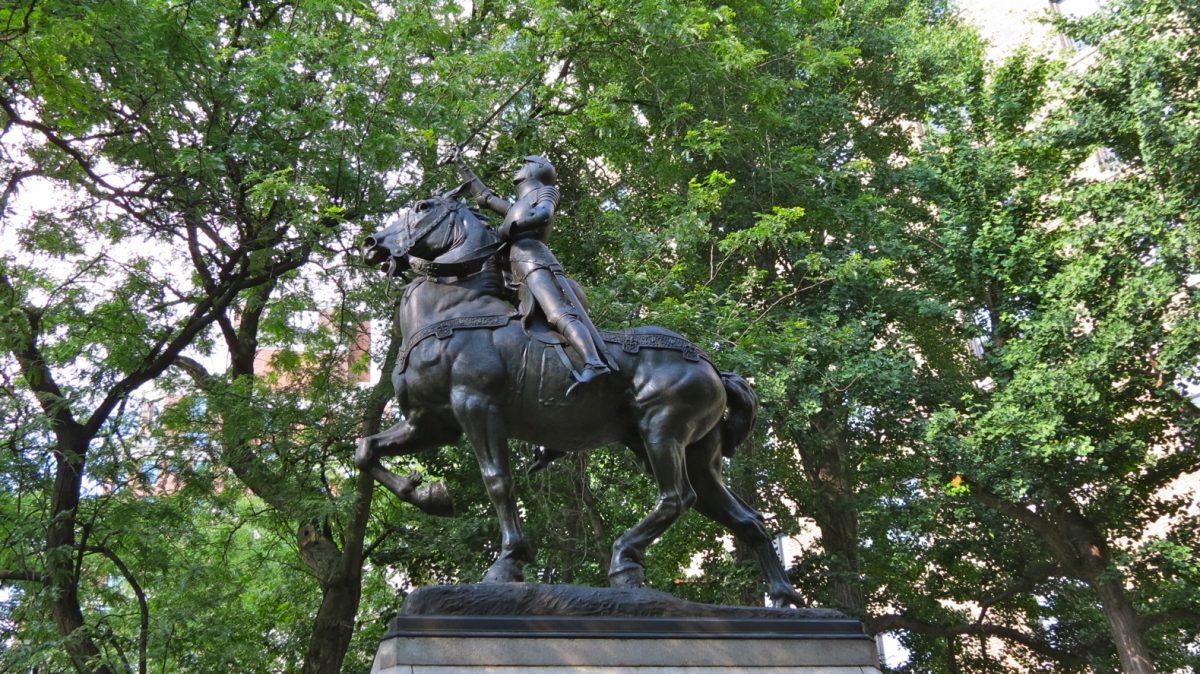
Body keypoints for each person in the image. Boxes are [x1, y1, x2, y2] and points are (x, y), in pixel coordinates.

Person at [453, 154, 616, 386]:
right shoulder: (517, 205)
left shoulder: (545, 191)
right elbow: (485, 197)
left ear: (535, 170)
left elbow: (543, 214)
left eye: (524, 165)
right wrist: (461, 164)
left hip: (533, 258)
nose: (518, 169)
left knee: (555, 311)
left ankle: (594, 363)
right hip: (513, 266)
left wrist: (507, 228)